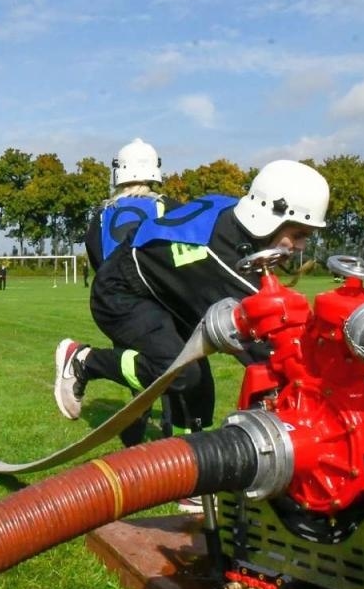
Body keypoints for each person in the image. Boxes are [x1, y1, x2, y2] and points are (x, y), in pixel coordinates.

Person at [55, 159, 330, 448]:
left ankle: (196, 468)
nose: (300, 247)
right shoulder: (223, 261)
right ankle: (84, 361)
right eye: (298, 234)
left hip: (165, 292)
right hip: (122, 293)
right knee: (180, 373)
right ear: (269, 216)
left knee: (200, 388)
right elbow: (269, 346)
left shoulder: (233, 214)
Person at [85, 138, 168, 277]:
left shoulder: (102, 214)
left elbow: (97, 260)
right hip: (154, 294)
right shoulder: (166, 208)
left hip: (111, 294)